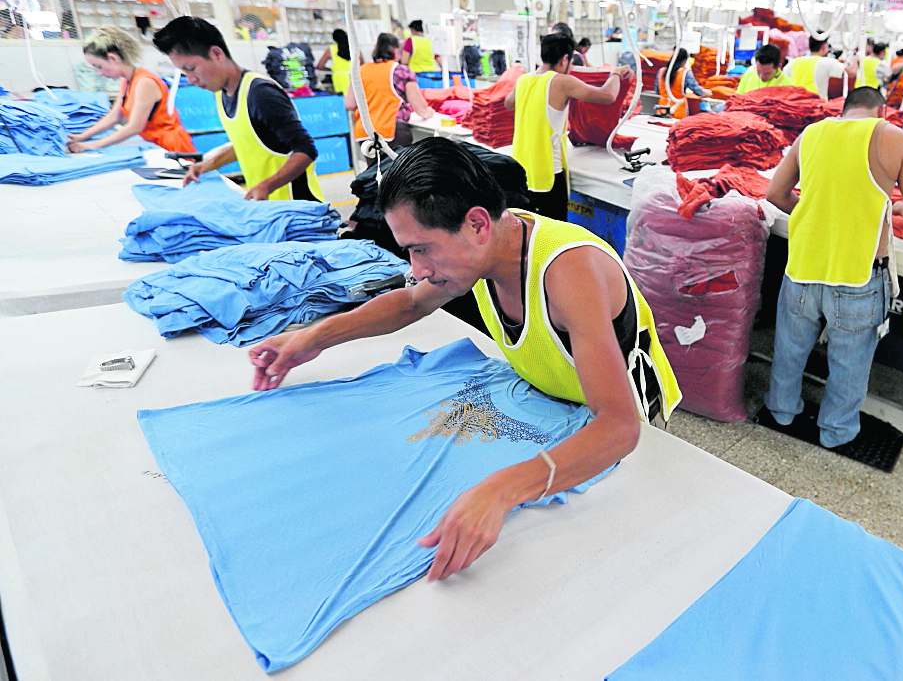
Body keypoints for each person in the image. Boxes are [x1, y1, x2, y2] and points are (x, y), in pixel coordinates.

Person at [248, 136, 681, 582]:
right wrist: (311, 338)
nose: (417, 269)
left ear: (477, 224)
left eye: (421, 249)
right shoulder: (485, 252)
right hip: (557, 407)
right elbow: (410, 303)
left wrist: (503, 488)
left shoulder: (568, 271)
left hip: (624, 435)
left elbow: (618, 427)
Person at [764, 86, 903, 449]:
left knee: (789, 350)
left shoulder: (811, 134)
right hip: (858, 276)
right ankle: (835, 432)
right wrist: (897, 209)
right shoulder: (894, 138)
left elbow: (775, 194)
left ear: (844, 110)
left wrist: (816, 217)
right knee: (849, 364)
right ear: (881, 111)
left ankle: (781, 411)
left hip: (803, 268)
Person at [153, 16, 324, 202]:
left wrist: (266, 186)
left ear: (216, 54)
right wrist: (208, 165)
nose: (190, 79)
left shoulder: (261, 94)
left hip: (296, 206)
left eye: (191, 68)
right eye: (184, 72)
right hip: (269, 206)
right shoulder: (221, 93)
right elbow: (249, 143)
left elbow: (306, 150)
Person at [504, 33, 633, 221]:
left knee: (530, 229)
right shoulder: (561, 82)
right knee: (554, 231)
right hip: (548, 174)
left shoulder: (524, 80)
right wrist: (615, 74)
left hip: (523, 171)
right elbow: (607, 96)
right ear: (564, 59)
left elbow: (508, 103)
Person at [67, 27, 195, 154]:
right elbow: (114, 116)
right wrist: (81, 137)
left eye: (99, 66)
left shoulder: (145, 82)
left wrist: (92, 145)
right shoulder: (127, 81)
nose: (98, 73)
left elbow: (135, 127)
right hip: (153, 143)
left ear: (113, 58)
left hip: (169, 146)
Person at [345, 32, 434, 168]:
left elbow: (349, 104)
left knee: (375, 175)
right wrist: (429, 113)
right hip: (392, 131)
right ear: (396, 51)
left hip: (365, 132)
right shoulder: (401, 71)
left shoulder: (361, 70)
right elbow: (420, 108)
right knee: (398, 175)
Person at [784, 34, 857, 100]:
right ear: (824, 46)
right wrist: (855, 59)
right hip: (817, 105)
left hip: (794, 104)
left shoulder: (793, 62)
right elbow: (851, 73)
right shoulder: (827, 62)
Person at [654, 47, 712, 119]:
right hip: (677, 110)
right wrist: (707, 93)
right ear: (684, 61)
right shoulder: (685, 74)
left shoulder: (661, 72)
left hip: (662, 109)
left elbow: (657, 91)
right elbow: (697, 91)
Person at [315, 28, 362, 95]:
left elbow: (319, 66)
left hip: (338, 77)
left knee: (342, 98)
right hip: (354, 76)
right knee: (354, 97)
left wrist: (332, 70)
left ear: (334, 38)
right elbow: (363, 64)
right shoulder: (354, 48)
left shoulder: (331, 49)